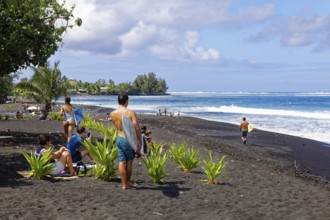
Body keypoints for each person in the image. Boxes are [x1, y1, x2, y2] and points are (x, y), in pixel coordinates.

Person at [110, 93, 142, 190]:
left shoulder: (112, 113)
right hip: (128, 140)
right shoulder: (130, 113)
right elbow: (136, 128)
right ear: (127, 101)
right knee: (129, 162)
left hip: (119, 138)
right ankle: (127, 182)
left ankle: (123, 185)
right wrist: (139, 141)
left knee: (121, 161)